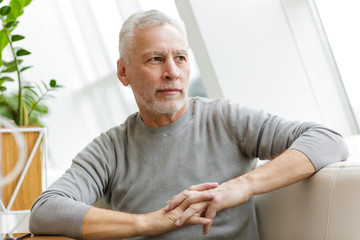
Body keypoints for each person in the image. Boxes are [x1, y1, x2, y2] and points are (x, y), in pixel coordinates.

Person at [29, 10, 349, 240]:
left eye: (180, 58)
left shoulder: (225, 119)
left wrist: (240, 186)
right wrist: (149, 224)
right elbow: (45, 210)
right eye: (156, 59)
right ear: (124, 72)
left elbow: (327, 140)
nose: (172, 72)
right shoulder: (110, 149)